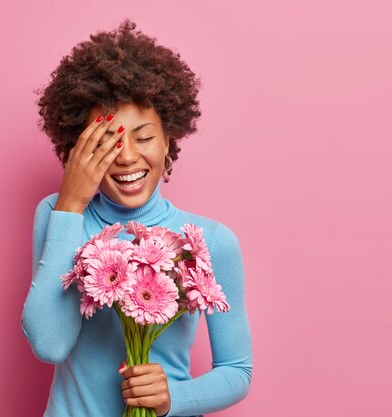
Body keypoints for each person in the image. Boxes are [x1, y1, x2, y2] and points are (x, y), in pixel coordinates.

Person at [21, 19, 253, 417]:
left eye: (144, 137)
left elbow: (237, 370)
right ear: (78, 147)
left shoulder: (210, 241)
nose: (127, 156)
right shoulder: (58, 214)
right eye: (107, 142)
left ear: (169, 140)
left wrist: (173, 399)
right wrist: (72, 205)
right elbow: (49, 344)